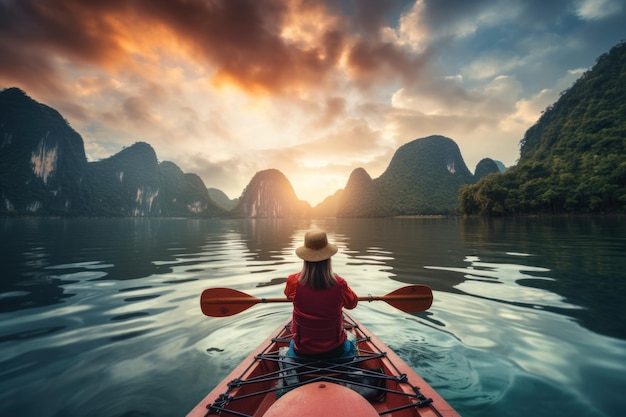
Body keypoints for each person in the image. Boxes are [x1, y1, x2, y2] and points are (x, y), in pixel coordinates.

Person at [284, 230, 358, 358]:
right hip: (336, 350)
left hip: (302, 350)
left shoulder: (293, 281)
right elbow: (352, 304)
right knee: (352, 338)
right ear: (328, 258)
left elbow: (289, 296)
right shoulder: (340, 284)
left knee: (290, 344)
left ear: (305, 258)